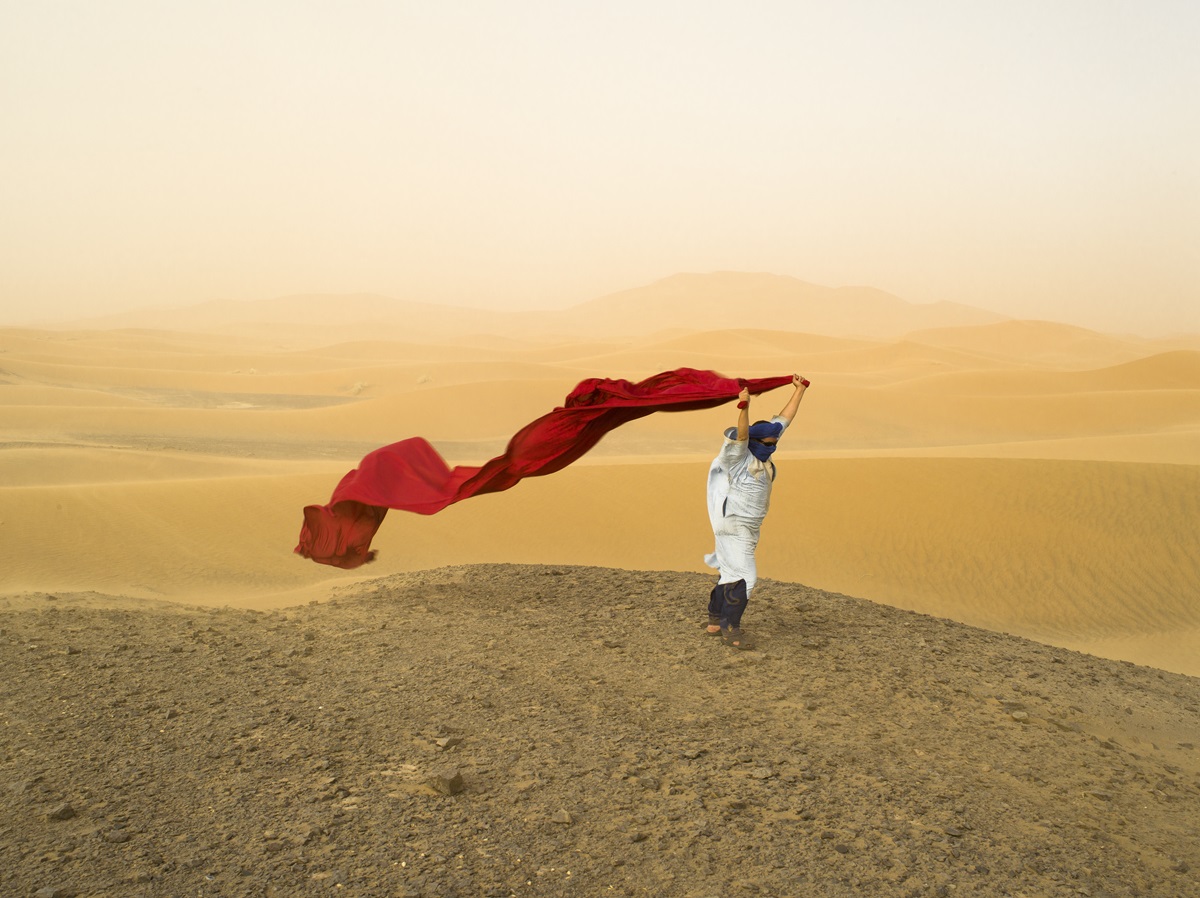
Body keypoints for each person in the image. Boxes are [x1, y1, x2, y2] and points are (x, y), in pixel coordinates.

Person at [704, 374, 809, 649]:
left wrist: (799, 390)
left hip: (745, 526)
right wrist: (744, 405)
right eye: (765, 443)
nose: (770, 446)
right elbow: (742, 435)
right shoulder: (737, 457)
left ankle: (715, 620)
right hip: (735, 523)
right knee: (747, 578)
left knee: (729, 571)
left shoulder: (765, 447)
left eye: (774, 443)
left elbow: (784, 421)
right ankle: (731, 630)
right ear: (753, 441)